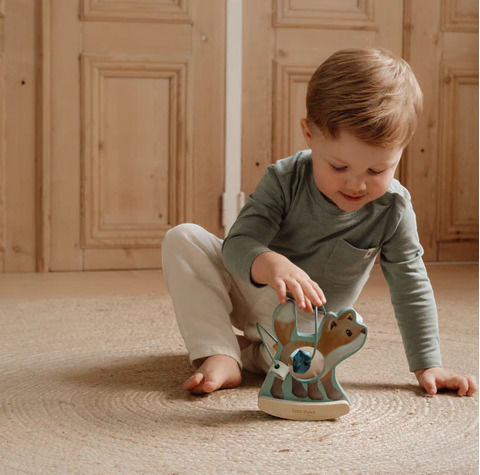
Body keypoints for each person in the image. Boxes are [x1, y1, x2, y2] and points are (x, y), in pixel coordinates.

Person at [162, 48, 477, 397]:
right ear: (309, 135)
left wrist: (428, 363)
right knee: (183, 238)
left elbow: (410, 285)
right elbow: (237, 245)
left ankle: (254, 354)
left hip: (308, 322)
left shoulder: (394, 207)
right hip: (252, 286)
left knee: (307, 364)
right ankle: (220, 353)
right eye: (339, 167)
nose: (356, 185)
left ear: (402, 150)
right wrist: (272, 265)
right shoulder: (285, 178)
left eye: (377, 170)